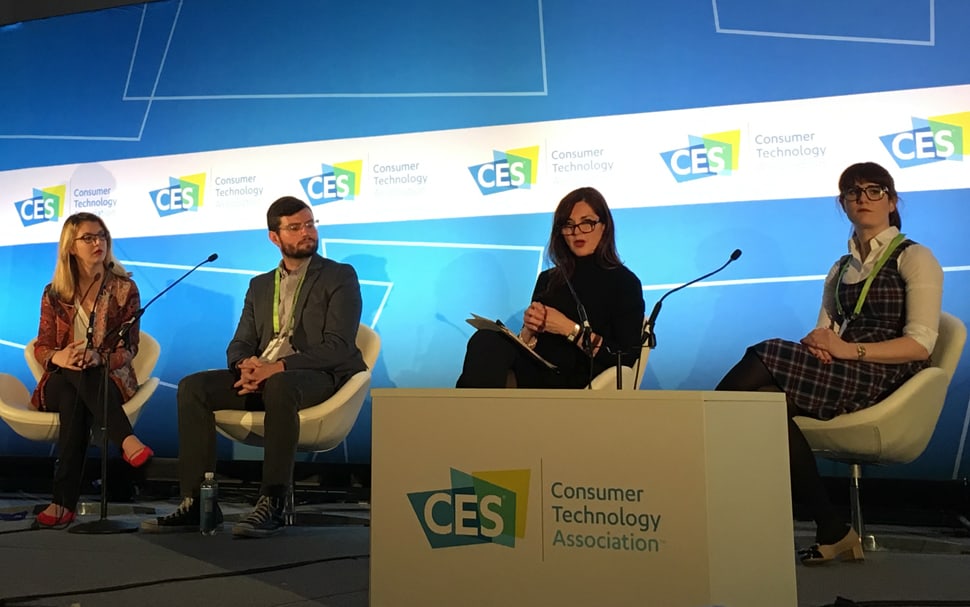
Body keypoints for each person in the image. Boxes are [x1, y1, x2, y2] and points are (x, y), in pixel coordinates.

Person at [715, 162, 943, 565]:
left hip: (882, 373)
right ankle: (831, 527)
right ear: (844, 203)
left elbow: (921, 345)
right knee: (767, 406)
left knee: (763, 355)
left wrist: (847, 350)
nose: (863, 199)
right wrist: (820, 344)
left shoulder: (915, 257)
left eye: (875, 191)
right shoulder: (840, 268)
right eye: (854, 193)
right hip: (841, 370)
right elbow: (825, 331)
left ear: (891, 201)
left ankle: (699, 457)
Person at [141, 196, 366, 538]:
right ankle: (197, 503)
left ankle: (272, 500)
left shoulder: (339, 275)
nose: (307, 232)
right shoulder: (260, 285)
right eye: (295, 227)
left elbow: (338, 346)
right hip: (267, 376)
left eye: (309, 224)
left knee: (280, 385)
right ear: (275, 237)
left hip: (319, 377)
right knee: (193, 387)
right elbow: (241, 342)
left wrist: (277, 369)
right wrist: (244, 365)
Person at [31, 212, 153, 529]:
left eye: (101, 236)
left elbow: (130, 348)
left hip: (106, 378)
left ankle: (63, 503)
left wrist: (97, 358)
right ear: (71, 246)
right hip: (60, 378)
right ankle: (126, 439)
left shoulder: (125, 288)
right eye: (88, 237)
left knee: (77, 393)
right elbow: (42, 346)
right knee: (72, 375)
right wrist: (60, 358)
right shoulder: (54, 292)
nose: (97, 242)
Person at [456, 186, 644, 389]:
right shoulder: (549, 278)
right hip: (540, 371)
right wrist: (529, 332)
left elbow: (624, 357)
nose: (576, 232)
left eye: (587, 223)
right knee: (486, 340)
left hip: (582, 377)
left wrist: (568, 328)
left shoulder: (625, 283)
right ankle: (470, 416)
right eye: (568, 225)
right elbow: (532, 346)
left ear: (604, 225)